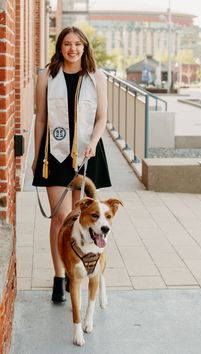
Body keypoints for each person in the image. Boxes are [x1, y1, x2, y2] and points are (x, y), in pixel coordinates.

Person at [32, 26, 111, 303]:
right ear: (60, 47)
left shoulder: (96, 77)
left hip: (87, 153)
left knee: (82, 218)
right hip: (53, 152)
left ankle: (77, 271)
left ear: (85, 47)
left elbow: (102, 117)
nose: (73, 49)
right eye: (67, 43)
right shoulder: (47, 77)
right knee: (60, 218)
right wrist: (35, 156)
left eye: (78, 44)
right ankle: (59, 275)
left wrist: (94, 141)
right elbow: (41, 119)